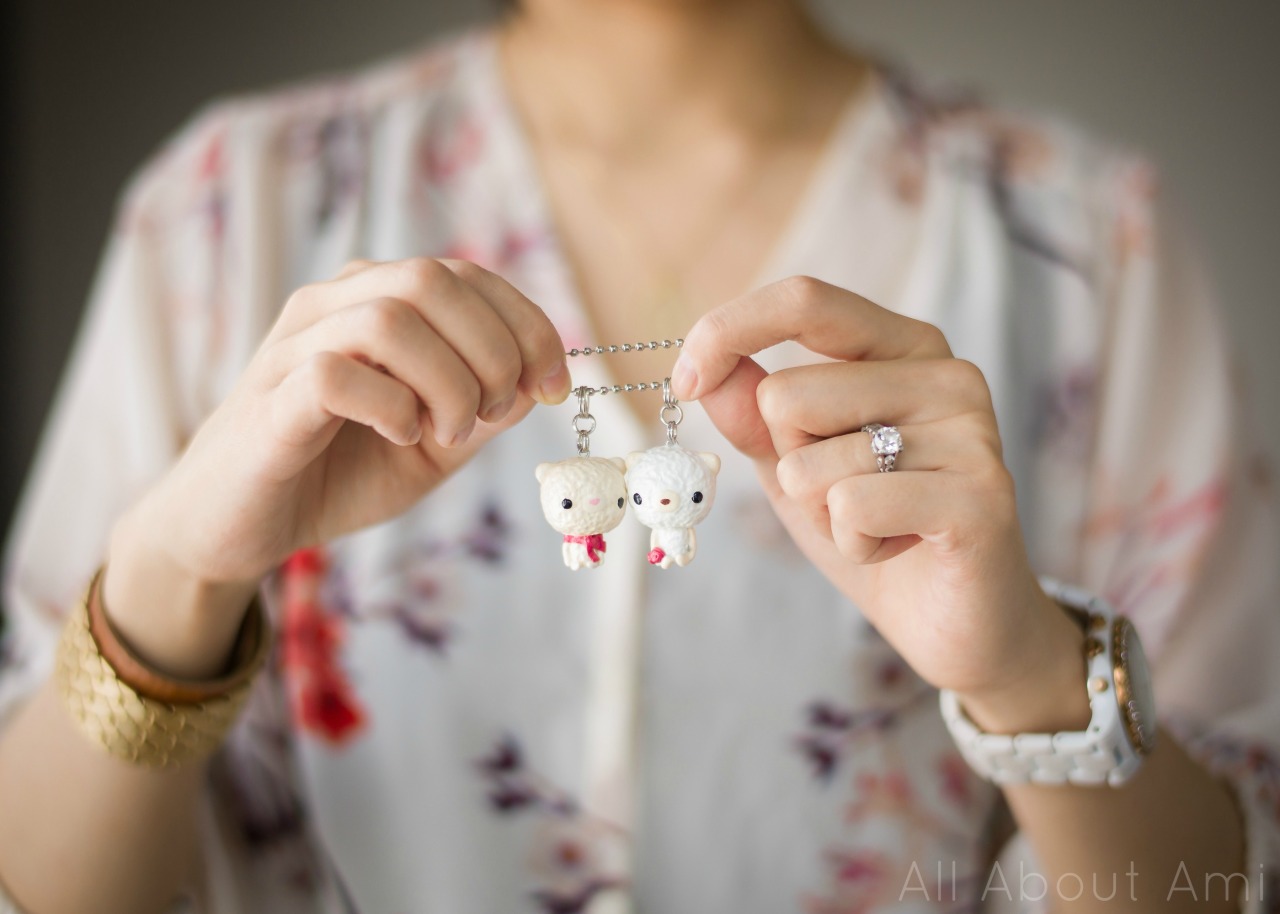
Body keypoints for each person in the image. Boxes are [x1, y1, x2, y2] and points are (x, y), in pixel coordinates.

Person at [0, 1, 1277, 912]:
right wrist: (173, 569)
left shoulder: (1083, 243)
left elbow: (1217, 885)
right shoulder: (233, 205)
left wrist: (1027, 673)